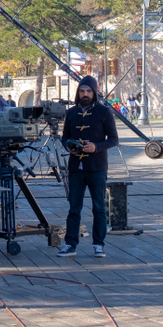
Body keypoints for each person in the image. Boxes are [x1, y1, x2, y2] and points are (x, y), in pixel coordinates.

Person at [57, 76, 119, 258]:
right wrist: (69, 145)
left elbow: (114, 139)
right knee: (74, 208)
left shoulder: (104, 112)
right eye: (82, 91)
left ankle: (98, 244)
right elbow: (64, 137)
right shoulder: (71, 113)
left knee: (99, 207)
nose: (85, 94)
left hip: (97, 167)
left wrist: (96, 147)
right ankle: (70, 244)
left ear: (94, 92)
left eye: (88, 91)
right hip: (76, 167)